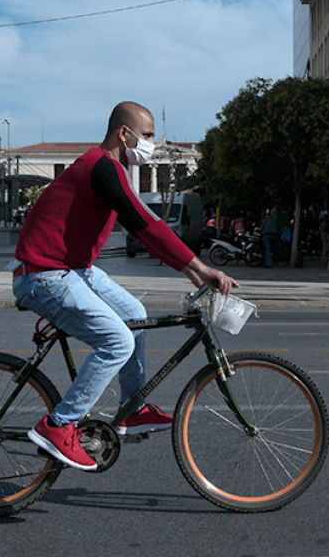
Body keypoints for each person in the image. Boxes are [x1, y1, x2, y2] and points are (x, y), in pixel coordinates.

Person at [12, 101, 237, 472]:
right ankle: (59, 425)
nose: (150, 143)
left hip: (72, 269)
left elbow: (148, 225)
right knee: (118, 341)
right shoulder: (101, 167)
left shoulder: (110, 169)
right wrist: (197, 267)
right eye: (147, 136)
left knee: (135, 313)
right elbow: (144, 225)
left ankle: (131, 408)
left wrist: (193, 271)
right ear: (124, 134)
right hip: (44, 274)